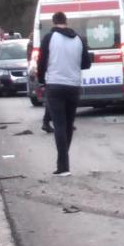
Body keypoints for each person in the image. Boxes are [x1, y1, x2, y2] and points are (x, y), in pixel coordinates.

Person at [37, 12, 91, 176]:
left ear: (54, 22)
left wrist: (41, 79)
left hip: (55, 84)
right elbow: (86, 63)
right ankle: (64, 160)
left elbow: (41, 61)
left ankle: (63, 166)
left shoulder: (49, 38)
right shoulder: (79, 39)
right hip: (73, 85)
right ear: (66, 22)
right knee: (68, 124)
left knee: (59, 124)